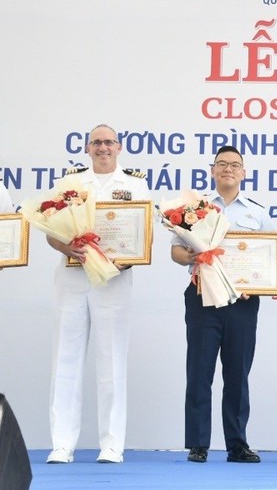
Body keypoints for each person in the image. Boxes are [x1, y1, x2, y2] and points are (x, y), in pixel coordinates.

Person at [45, 124, 150, 464]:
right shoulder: (70, 183)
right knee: (66, 359)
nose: (103, 148)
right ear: (87, 148)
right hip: (73, 278)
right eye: (97, 143)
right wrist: (66, 247)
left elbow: (143, 235)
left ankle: (112, 444)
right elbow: (50, 232)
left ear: (119, 147)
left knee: (112, 360)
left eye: (109, 142)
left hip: (114, 280)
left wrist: (128, 258)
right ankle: (62, 443)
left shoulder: (135, 185)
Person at [170, 145, 276, 464]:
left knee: (237, 372)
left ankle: (237, 443)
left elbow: (268, 256)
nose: (228, 169)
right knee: (200, 370)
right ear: (212, 171)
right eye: (222, 164)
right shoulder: (194, 209)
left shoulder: (257, 213)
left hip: (242, 302)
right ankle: (198, 443)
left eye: (235, 165)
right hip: (202, 294)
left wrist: (258, 282)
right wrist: (193, 255)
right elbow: (175, 252)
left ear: (244, 172)